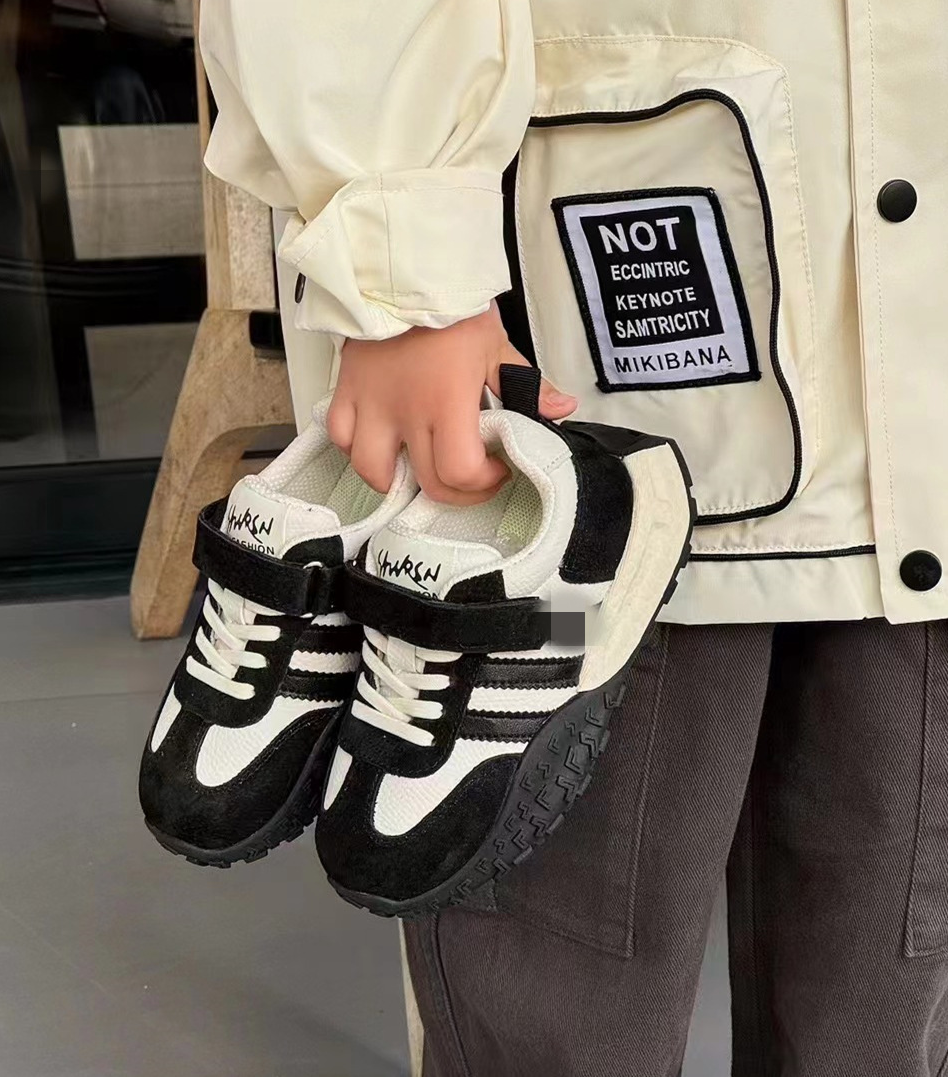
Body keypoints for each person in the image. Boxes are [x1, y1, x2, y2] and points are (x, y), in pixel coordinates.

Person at [196, 2, 948, 1073]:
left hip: (919, 445)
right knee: (561, 1004)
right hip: (583, 449)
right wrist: (404, 262)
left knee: (884, 1009)